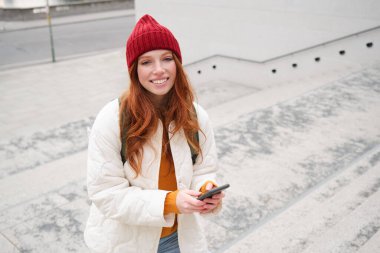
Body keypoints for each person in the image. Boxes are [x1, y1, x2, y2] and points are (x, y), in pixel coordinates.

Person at [84, 14, 224, 253]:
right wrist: (170, 201)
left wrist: (206, 189)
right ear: (134, 70)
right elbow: (105, 193)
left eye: (166, 59)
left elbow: (203, 169)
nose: (158, 70)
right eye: (146, 62)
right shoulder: (113, 118)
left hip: (180, 240)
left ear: (177, 64)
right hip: (125, 243)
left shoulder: (196, 115)